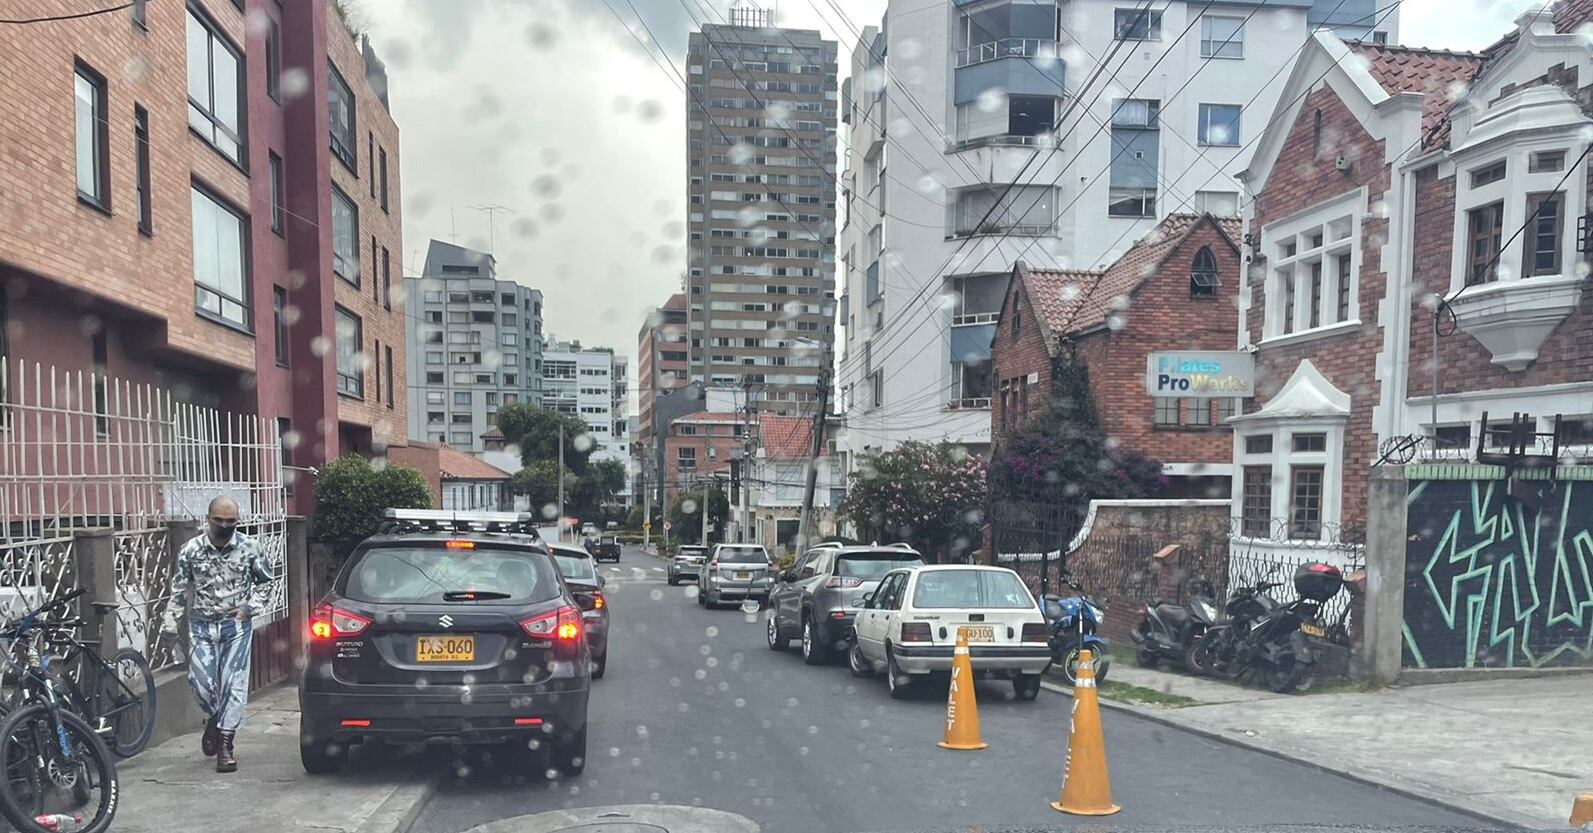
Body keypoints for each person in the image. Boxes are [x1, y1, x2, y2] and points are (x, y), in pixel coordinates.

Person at [159, 496, 274, 773]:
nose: (224, 526)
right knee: (201, 683)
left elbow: (266, 585)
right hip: (201, 625)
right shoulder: (191, 550)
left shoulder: (250, 548)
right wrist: (169, 627)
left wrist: (249, 608)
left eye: (231, 522)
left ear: (238, 521)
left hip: (235, 625)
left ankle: (225, 744)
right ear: (208, 518)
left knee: (233, 684)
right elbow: (178, 591)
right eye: (219, 520)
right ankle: (215, 718)